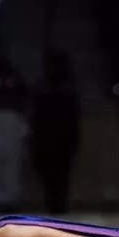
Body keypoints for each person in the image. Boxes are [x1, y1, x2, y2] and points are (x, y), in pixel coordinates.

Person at [31, 49, 79, 213]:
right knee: (52, 176)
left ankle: (58, 207)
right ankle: (55, 207)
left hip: (60, 138)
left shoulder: (67, 88)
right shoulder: (44, 87)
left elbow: (74, 115)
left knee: (59, 176)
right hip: (49, 138)